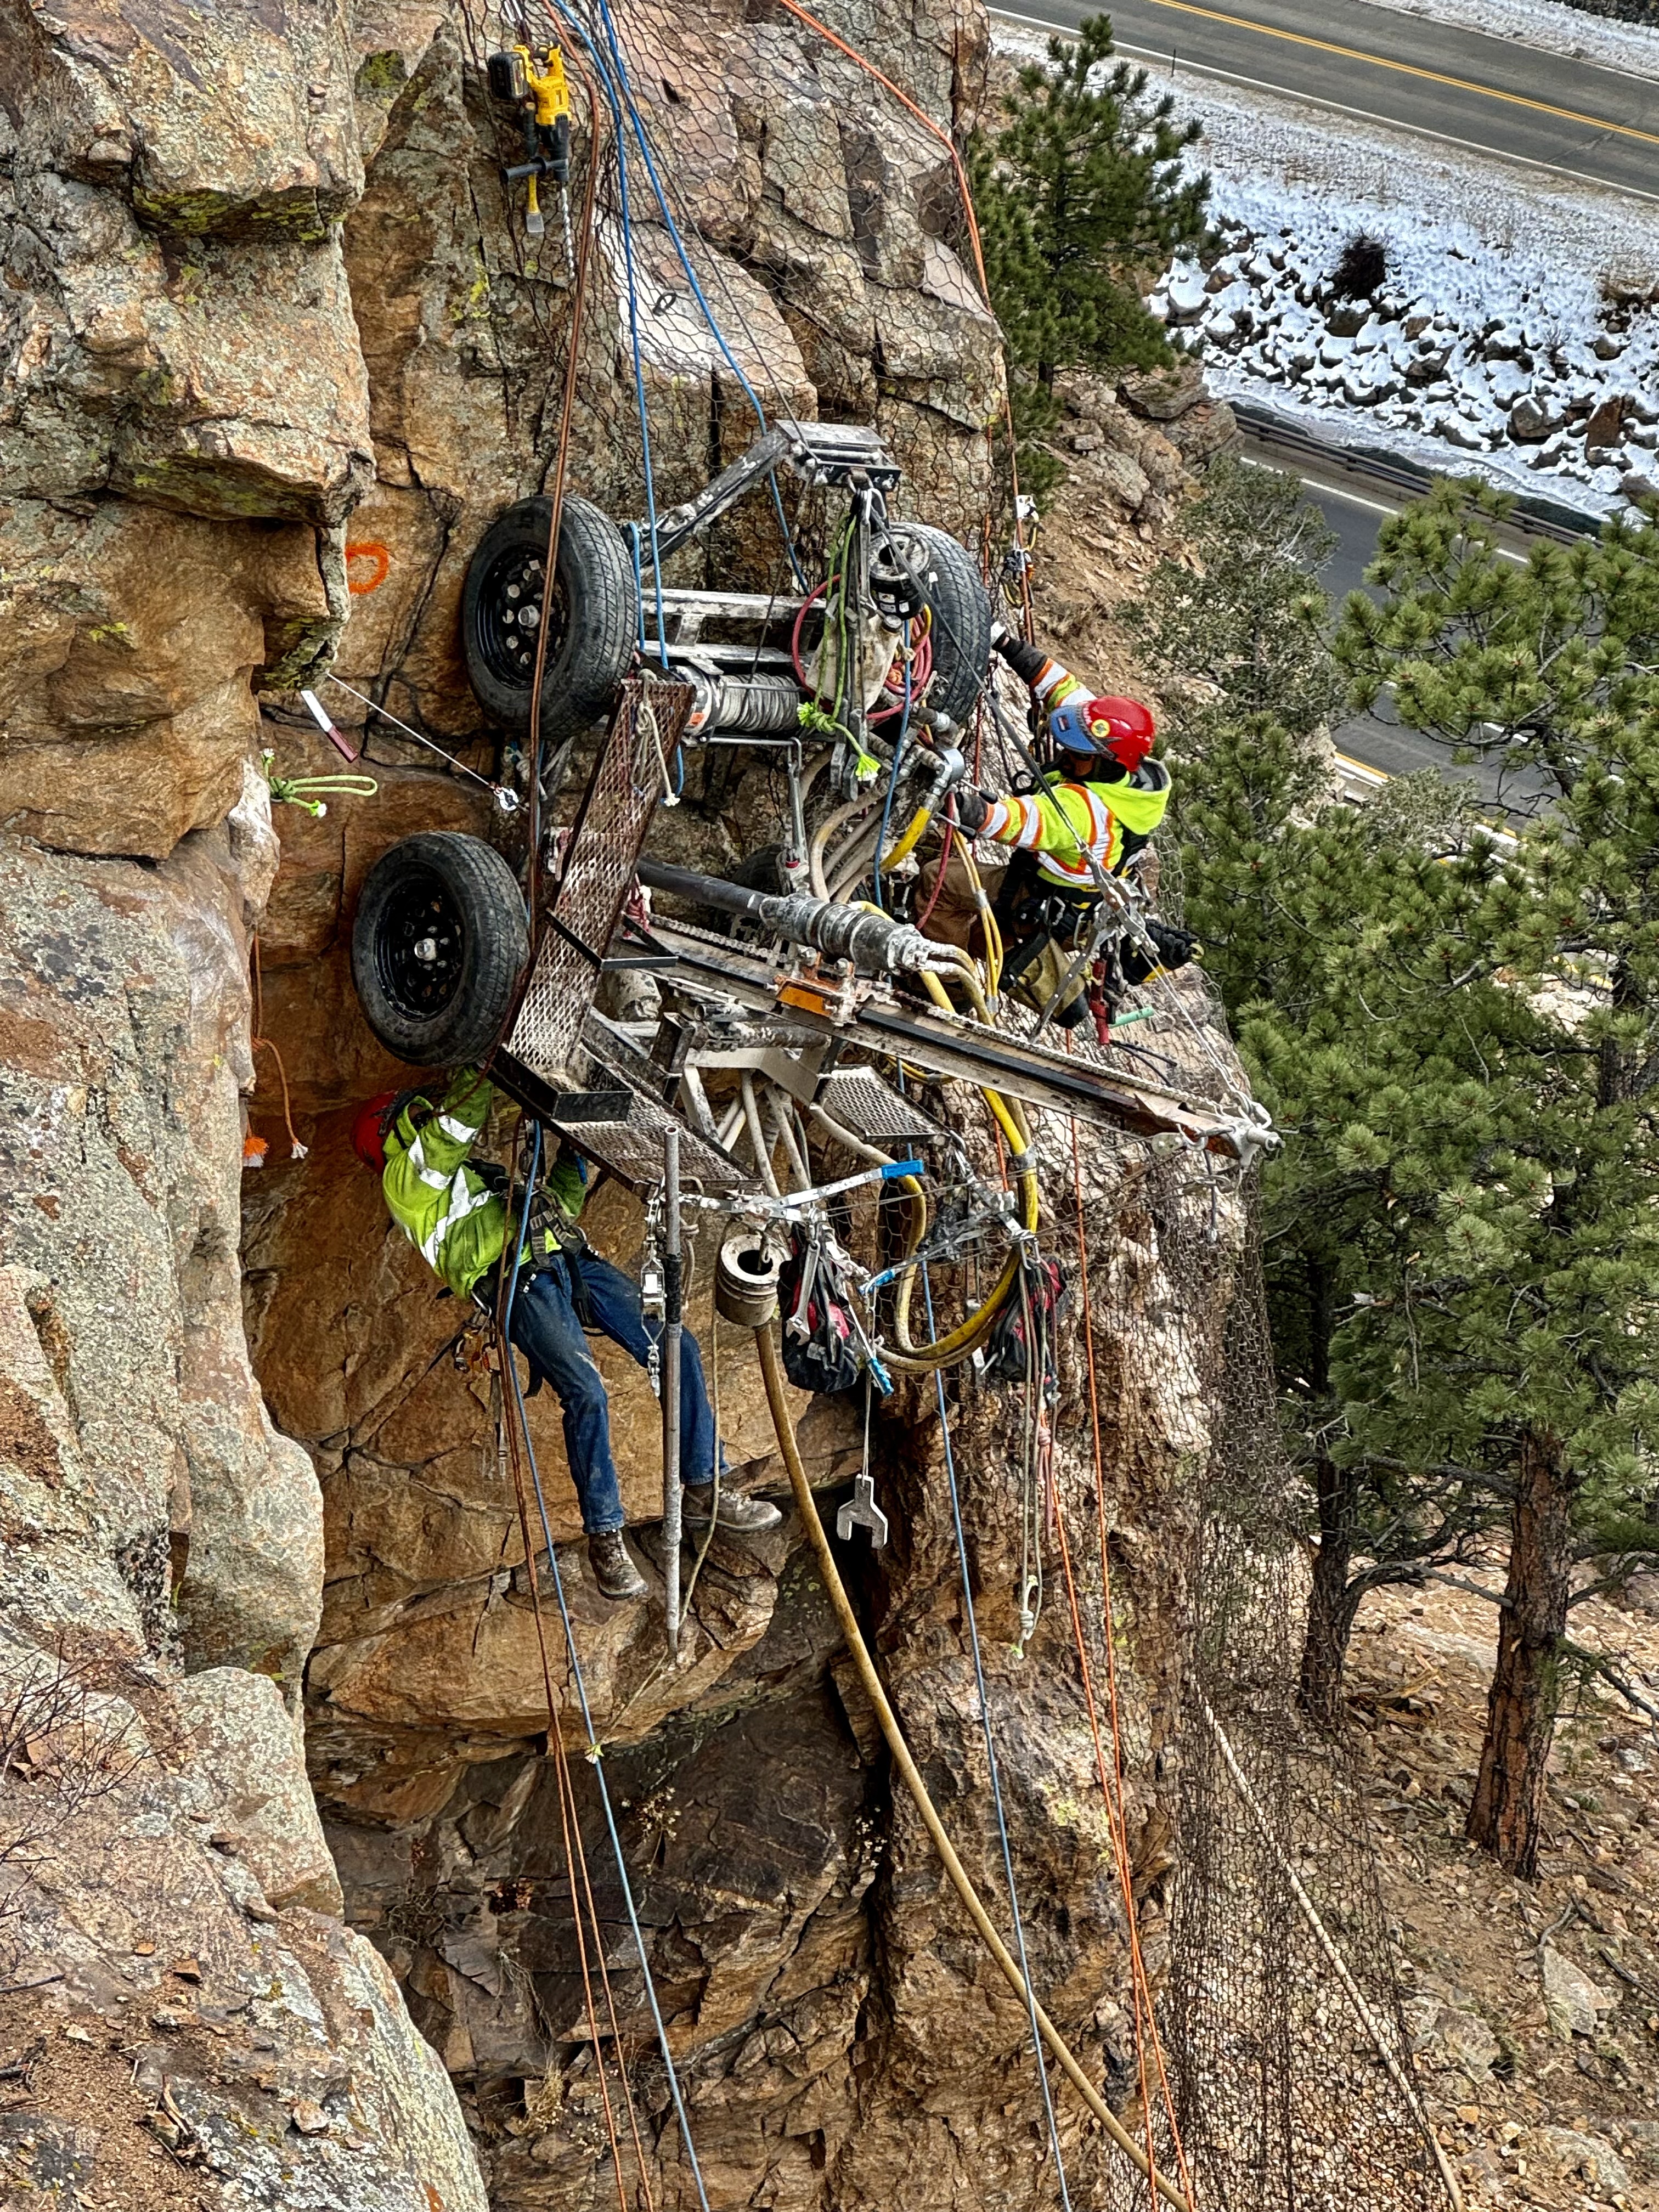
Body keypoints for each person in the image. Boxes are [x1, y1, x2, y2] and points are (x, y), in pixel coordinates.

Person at [352, 1069, 778, 1601]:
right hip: (518, 1283)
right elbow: (455, 1127)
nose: (426, 1120)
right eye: (414, 1119)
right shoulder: (405, 1183)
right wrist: (489, 1065)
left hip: (570, 1261)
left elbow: (560, 1204)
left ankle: (706, 1484)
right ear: (391, 1137)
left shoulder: (479, 1179)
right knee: (586, 1391)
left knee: (677, 1344)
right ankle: (606, 1540)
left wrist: (570, 1149)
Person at [947, 626, 1194, 1024]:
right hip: (1068, 899)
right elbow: (1061, 687)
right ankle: (967, 959)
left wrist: (953, 800)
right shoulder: (1130, 777)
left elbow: (1010, 822)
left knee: (938, 882)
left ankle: (942, 982)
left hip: (1039, 900)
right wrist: (1004, 641)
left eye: (1077, 755)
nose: (1065, 755)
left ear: (1105, 763)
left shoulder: (1084, 812)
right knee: (976, 924)